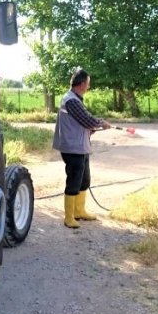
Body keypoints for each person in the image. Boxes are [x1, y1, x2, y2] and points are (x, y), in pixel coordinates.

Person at [52, 69, 111, 229]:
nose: (89, 87)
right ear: (83, 84)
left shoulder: (75, 99)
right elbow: (85, 119)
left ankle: (79, 211)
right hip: (72, 148)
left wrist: (94, 127)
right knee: (74, 181)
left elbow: (81, 122)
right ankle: (69, 217)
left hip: (80, 147)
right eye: (88, 83)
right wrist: (101, 123)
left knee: (84, 180)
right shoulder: (71, 100)